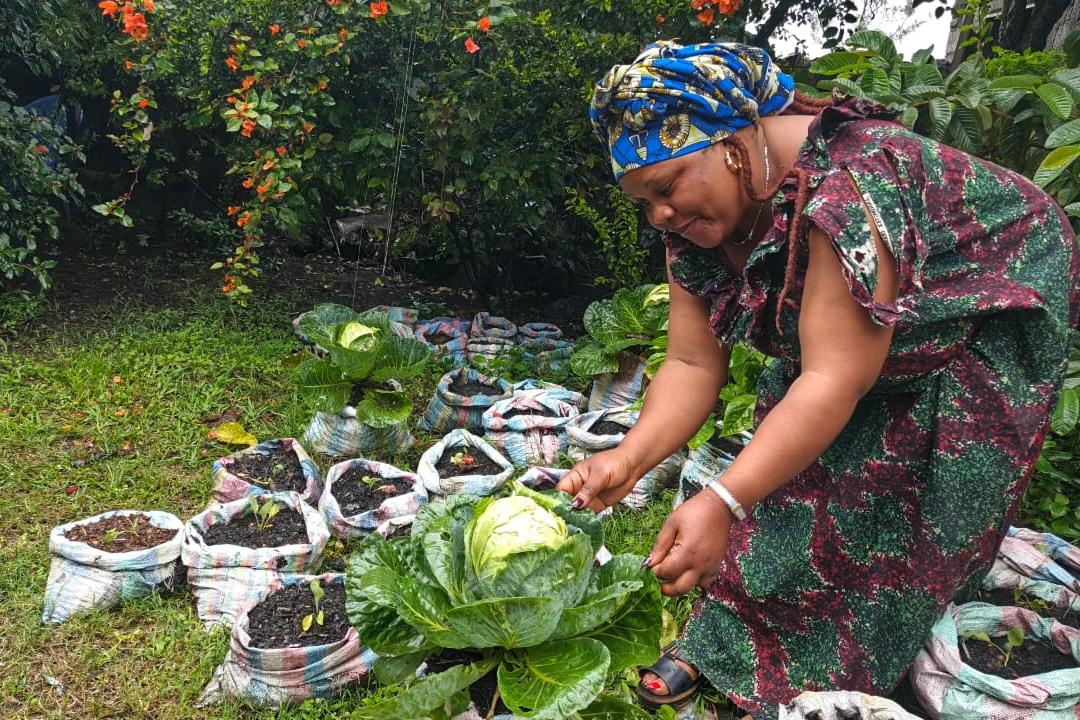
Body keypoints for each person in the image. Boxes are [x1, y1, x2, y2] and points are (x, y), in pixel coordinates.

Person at [559, 40, 1080, 719]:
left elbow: (833, 379)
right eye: (643, 200)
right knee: (784, 465)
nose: (659, 213)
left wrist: (719, 500)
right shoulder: (695, 226)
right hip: (866, 327)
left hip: (991, 298)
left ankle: (852, 666)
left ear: (732, 142)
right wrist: (629, 456)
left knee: (920, 497)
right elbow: (692, 363)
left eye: (668, 186)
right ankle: (728, 645)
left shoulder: (850, 187)